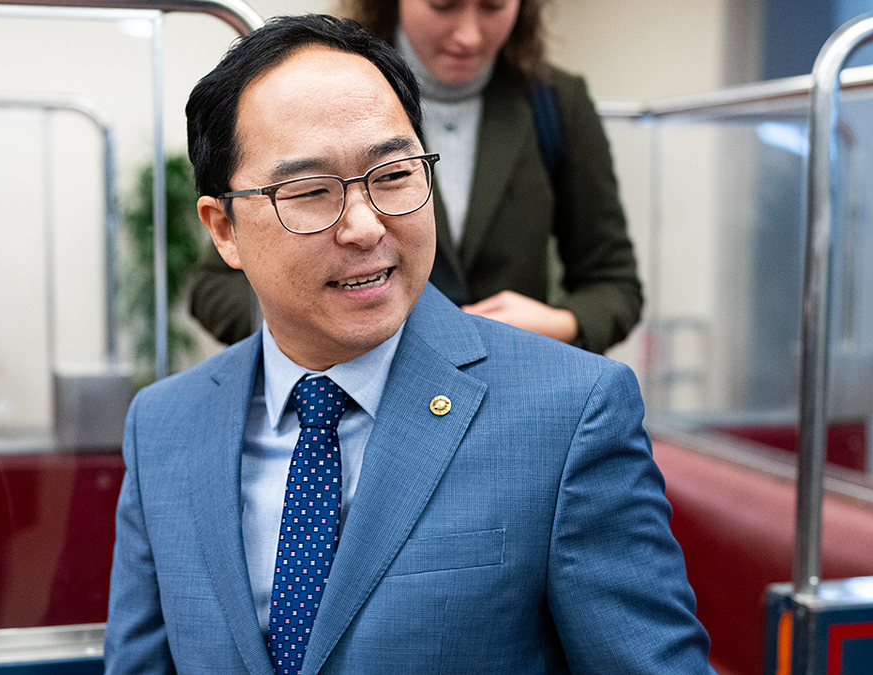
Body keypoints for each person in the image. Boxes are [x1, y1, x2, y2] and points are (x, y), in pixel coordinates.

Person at [104, 14, 713, 675]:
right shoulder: (163, 426)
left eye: (393, 175)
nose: (366, 226)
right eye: (311, 192)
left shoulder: (570, 418)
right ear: (223, 228)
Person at [189, 0, 642, 354]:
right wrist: (327, 328)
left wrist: (562, 325)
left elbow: (613, 281)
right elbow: (215, 287)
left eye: (494, 6)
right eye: (442, 6)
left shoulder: (556, 105)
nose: (468, 34)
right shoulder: (323, 94)